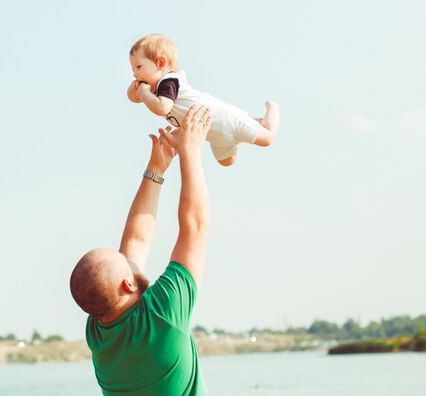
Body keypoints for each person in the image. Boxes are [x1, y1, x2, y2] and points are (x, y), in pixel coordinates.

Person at [70, 105, 213, 395]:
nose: (127, 255)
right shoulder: (162, 315)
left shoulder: (99, 334)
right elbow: (194, 227)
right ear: (127, 282)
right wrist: (191, 151)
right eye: (123, 261)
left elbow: (135, 242)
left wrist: (156, 169)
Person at [128, 33, 280, 167]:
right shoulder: (154, 89)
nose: (135, 74)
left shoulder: (169, 82)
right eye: (133, 70)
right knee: (227, 161)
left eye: (139, 67)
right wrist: (137, 90)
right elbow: (133, 98)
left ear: (160, 63)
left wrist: (141, 91)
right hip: (214, 134)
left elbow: (161, 108)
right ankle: (242, 135)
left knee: (267, 139)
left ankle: (271, 110)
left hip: (227, 120)